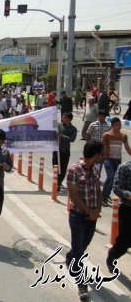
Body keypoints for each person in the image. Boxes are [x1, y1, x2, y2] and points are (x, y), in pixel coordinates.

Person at [65, 141, 104, 302]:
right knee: (80, 252)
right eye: (101, 153)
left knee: (81, 247)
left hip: (92, 217)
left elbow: (98, 191)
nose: (103, 156)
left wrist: (98, 211)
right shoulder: (74, 170)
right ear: (95, 155)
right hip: (78, 217)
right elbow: (73, 196)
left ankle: (70, 257)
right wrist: (89, 211)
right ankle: (82, 285)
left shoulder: (95, 169)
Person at [106, 160, 131, 273]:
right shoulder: (124, 167)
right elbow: (116, 187)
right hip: (127, 210)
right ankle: (112, 256)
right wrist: (129, 195)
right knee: (124, 242)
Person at [101, 117, 131, 206]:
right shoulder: (106, 135)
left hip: (118, 160)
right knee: (111, 176)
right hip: (108, 159)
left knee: (114, 179)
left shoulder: (123, 136)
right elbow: (101, 147)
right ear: (112, 125)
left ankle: (106, 196)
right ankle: (103, 197)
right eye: (116, 125)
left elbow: (127, 147)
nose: (118, 127)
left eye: (119, 125)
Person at [52, 112, 78, 191]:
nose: (63, 119)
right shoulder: (59, 125)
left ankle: (58, 183)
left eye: (65, 117)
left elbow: (72, 139)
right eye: (62, 117)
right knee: (55, 167)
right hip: (56, 150)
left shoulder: (73, 129)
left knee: (63, 169)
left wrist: (61, 136)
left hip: (65, 150)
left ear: (69, 119)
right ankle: (56, 182)